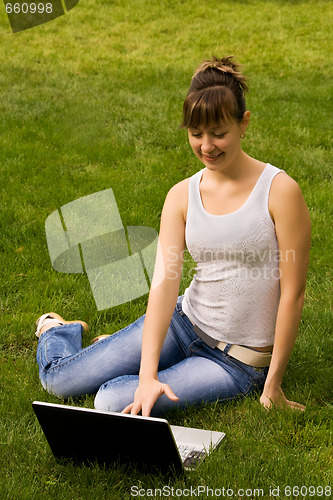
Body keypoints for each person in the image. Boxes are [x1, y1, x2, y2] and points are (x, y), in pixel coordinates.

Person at [35, 56, 311, 416]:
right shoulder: (181, 195)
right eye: (196, 135)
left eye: (218, 133)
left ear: (243, 124)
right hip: (185, 322)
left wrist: (272, 384)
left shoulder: (279, 191)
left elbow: (294, 293)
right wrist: (148, 375)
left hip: (235, 362)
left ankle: (114, 352)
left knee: (110, 400)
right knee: (59, 381)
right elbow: (165, 282)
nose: (207, 146)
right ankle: (58, 330)